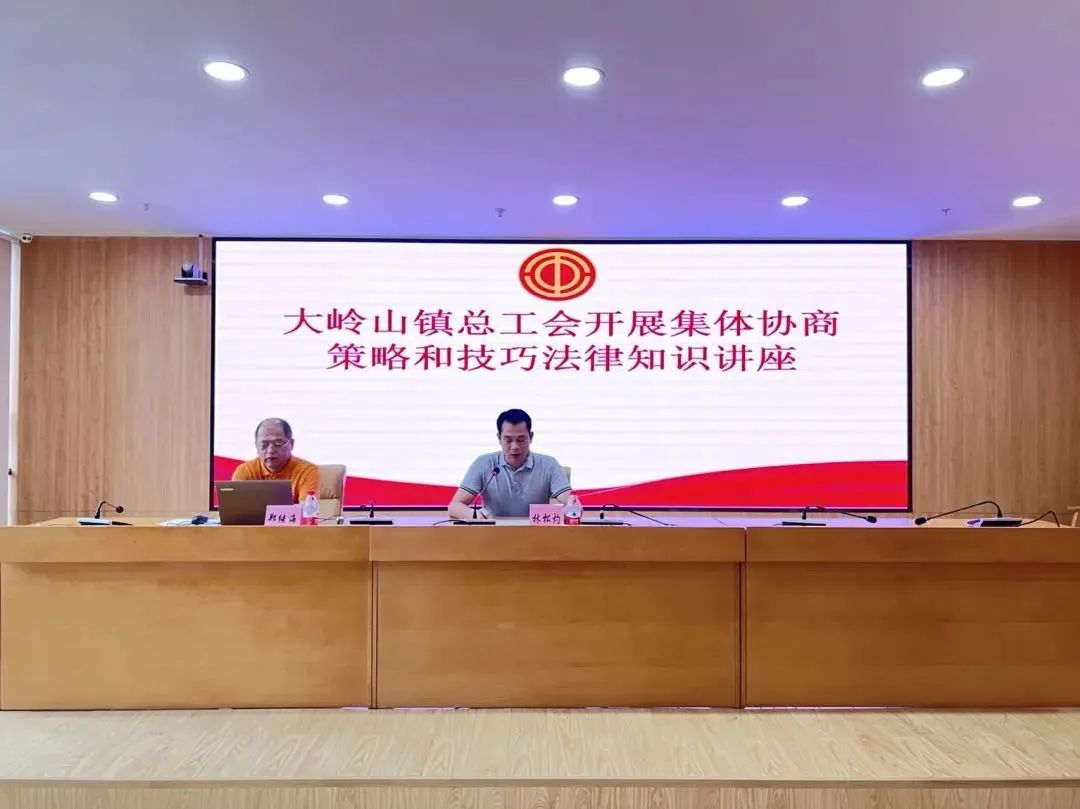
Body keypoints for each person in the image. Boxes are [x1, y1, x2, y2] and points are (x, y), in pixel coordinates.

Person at [448, 408, 572, 520]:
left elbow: (571, 504)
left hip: (537, 534)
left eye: (521, 440)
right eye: (508, 440)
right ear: (499, 438)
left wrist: (572, 507)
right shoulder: (484, 464)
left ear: (531, 437)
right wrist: (473, 515)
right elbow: (454, 506)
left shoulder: (549, 465)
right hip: (494, 533)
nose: (515, 447)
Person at [231, 418, 319, 503]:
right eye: (264, 444)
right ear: (256, 446)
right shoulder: (245, 472)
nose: (270, 450)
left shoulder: (306, 472)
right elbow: (236, 508)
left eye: (278, 443)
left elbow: (307, 511)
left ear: (291, 444)